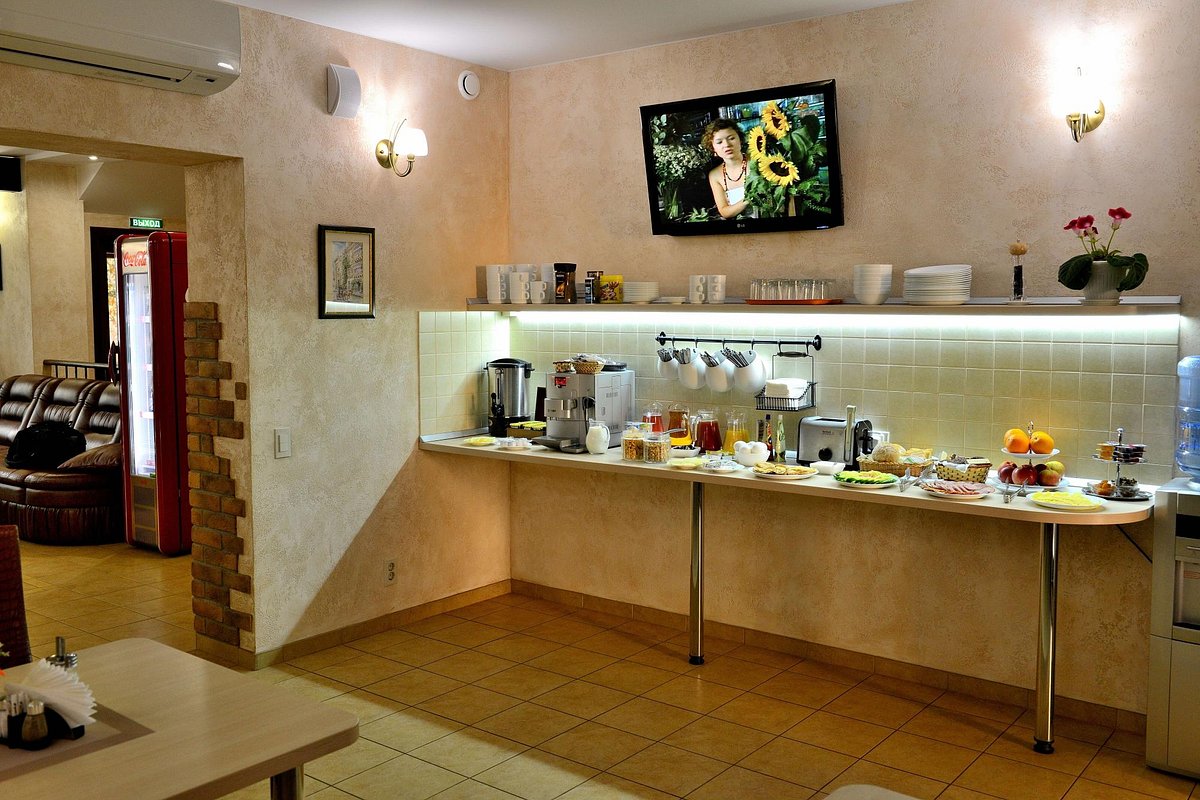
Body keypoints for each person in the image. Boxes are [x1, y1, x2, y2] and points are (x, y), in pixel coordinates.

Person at [702, 118, 750, 219]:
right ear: (713, 148)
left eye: (731, 138)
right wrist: (749, 199)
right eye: (719, 142)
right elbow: (724, 212)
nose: (727, 145)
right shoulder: (715, 175)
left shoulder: (758, 162)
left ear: (740, 140)